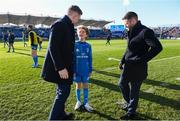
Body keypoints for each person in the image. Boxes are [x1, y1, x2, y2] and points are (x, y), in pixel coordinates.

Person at [118, 12, 163, 120]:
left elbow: (158, 47)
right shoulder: (131, 31)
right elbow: (129, 49)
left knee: (134, 90)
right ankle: (130, 105)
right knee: (121, 84)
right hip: (128, 66)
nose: (125, 26)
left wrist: (141, 60)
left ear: (133, 20)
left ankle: (131, 112)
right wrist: (122, 60)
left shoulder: (145, 31)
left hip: (139, 68)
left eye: (126, 23)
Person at [41, 5, 82, 120]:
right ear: (74, 15)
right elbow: (53, 47)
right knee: (63, 92)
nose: (77, 20)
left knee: (62, 90)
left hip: (65, 65)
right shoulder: (60, 24)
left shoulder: (68, 25)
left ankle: (61, 115)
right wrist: (60, 68)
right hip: (60, 67)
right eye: (77, 17)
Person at [73, 25, 93, 112]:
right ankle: (78, 101)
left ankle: (86, 103)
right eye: (79, 32)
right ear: (77, 33)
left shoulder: (88, 45)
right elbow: (72, 58)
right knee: (78, 85)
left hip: (85, 70)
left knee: (85, 85)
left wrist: (90, 69)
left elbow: (90, 58)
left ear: (86, 35)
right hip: (76, 70)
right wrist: (72, 70)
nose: (81, 33)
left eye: (83, 32)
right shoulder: (74, 44)